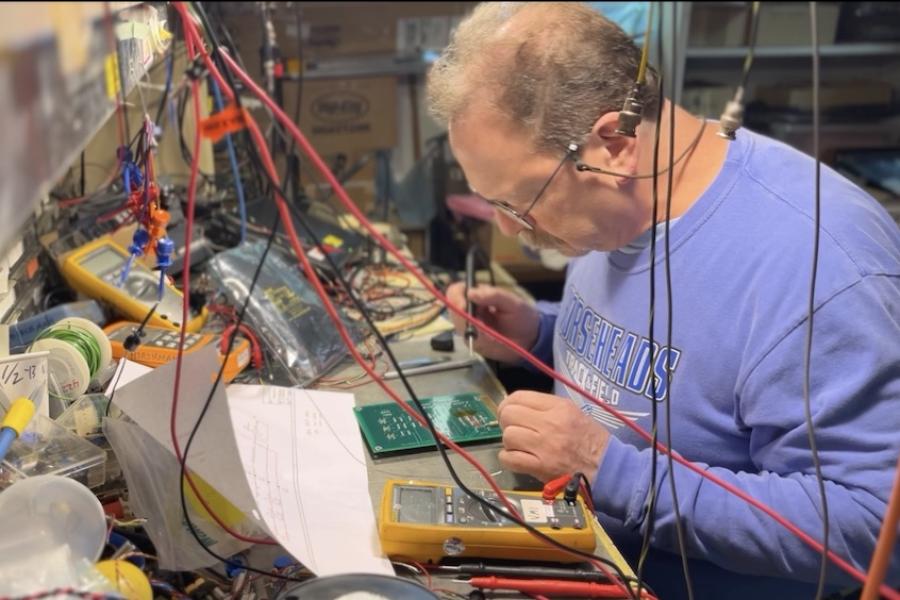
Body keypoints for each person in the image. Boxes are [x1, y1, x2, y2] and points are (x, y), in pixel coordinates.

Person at [427, 3, 900, 598]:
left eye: (520, 201)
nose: (513, 229)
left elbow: (872, 530)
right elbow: (680, 371)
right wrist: (538, 332)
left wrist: (608, 469)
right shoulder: (619, 205)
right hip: (579, 558)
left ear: (613, 145)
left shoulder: (821, 268)